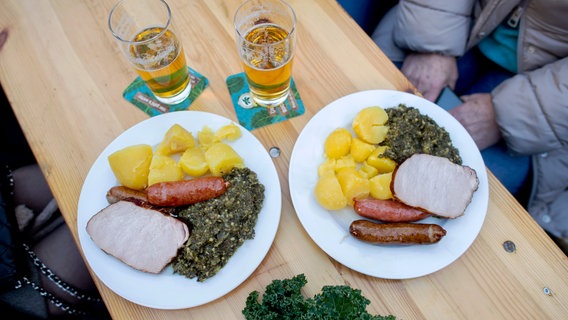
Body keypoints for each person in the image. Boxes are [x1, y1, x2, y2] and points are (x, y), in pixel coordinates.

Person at [371, 1, 568, 249]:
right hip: (452, 19)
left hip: (552, 105)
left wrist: (508, 114)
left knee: (467, 209)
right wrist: (433, 43)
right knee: (366, 101)